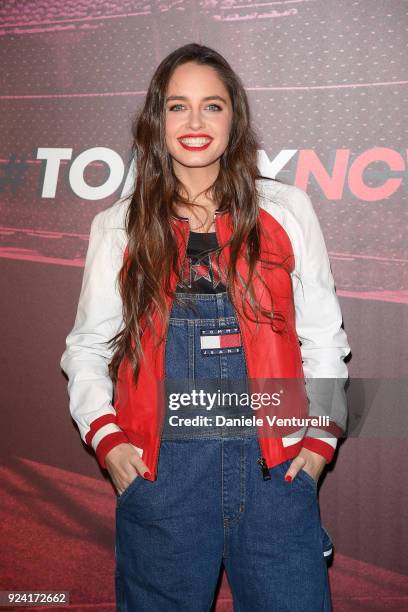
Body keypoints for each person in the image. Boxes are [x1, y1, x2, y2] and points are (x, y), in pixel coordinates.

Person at [60, 43, 351, 611]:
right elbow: (87, 347)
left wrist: (317, 445)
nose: (195, 123)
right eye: (178, 107)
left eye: (211, 106)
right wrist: (110, 442)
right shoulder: (118, 225)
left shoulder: (287, 210)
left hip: (277, 473)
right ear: (156, 120)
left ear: (233, 118)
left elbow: (324, 340)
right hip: (161, 476)